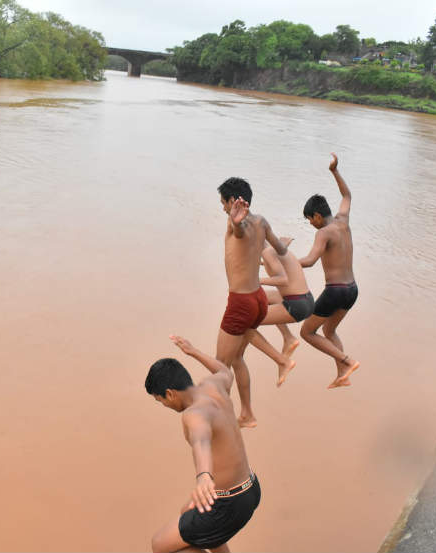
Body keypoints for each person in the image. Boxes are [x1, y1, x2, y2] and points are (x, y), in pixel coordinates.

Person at [147, 335, 261, 553]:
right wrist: (193, 351)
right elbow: (225, 371)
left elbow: (201, 440)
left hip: (230, 504)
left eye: (160, 400)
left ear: (170, 393)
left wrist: (204, 477)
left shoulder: (193, 414)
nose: (163, 405)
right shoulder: (213, 385)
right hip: (251, 488)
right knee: (188, 512)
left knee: (160, 545)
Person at [216, 177, 290, 428]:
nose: (223, 208)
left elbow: (239, 230)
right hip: (258, 297)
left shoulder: (235, 222)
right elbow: (280, 249)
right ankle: (247, 414)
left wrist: (236, 223)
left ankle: (221, 422)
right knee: (236, 358)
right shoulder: (262, 222)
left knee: (219, 367)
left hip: (241, 302)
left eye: (224, 203)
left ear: (233, 201)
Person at [298, 153, 360, 389]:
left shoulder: (323, 232)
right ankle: (342, 373)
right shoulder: (343, 221)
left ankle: (348, 360)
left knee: (307, 332)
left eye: (309, 220)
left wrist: (285, 261)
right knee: (328, 329)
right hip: (352, 289)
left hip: (335, 291)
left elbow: (310, 261)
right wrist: (335, 171)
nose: (311, 224)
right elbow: (346, 195)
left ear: (316, 215)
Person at [247, 239, 315, 387]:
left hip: (296, 305)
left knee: (245, 326)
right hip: (307, 299)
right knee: (262, 298)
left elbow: (282, 279)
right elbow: (283, 262)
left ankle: (283, 362)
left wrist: (256, 280)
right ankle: (288, 337)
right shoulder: (275, 248)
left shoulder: (267, 252)